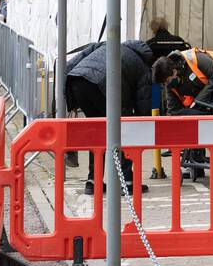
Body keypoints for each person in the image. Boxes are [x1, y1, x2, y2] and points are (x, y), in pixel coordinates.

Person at [66, 38, 156, 194]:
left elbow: (70, 64)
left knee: (97, 134)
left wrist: (67, 95)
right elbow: (143, 102)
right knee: (124, 132)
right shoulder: (143, 66)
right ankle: (126, 182)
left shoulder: (107, 44)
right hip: (102, 88)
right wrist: (142, 125)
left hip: (77, 82)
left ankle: (92, 182)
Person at [151, 46, 213, 113]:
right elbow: (174, 109)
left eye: (167, 81)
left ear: (174, 71)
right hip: (207, 93)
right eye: (164, 83)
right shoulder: (170, 83)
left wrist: (198, 102)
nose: (166, 84)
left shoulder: (196, 59)